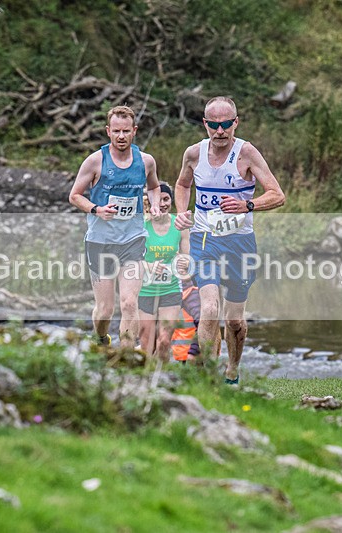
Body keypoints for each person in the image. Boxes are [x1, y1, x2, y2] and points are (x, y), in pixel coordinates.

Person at [174, 96, 285, 384]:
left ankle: (232, 370)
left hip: (240, 243)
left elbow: (277, 194)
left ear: (235, 123)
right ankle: (210, 378)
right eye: (214, 125)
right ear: (205, 124)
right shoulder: (194, 153)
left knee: (234, 320)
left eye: (226, 124)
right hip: (204, 239)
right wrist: (182, 212)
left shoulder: (246, 153)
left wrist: (247, 205)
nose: (220, 131)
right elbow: (183, 184)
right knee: (209, 308)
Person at [69, 105, 161, 348]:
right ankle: (100, 338)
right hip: (101, 241)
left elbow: (153, 187)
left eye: (126, 131)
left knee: (130, 303)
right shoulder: (95, 161)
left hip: (133, 240)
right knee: (105, 309)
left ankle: (126, 358)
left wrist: (155, 205)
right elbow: (75, 195)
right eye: (117, 131)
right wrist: (97, 210)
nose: (121, 136)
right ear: (108, 131)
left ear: (134, 131)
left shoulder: (146, 161)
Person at [138, 182, 190, 361]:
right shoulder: (141, 226)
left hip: (171, 289)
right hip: (144, 290)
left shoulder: (180, 225)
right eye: (158, 200)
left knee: (164, 342)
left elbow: (187, 262)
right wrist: (148, 266)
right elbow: (129, 262)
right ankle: (144, 383)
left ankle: (163, 382)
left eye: (166, 199)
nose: (162, 204)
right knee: (146, 345)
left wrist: (183, 264)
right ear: (149, 202)